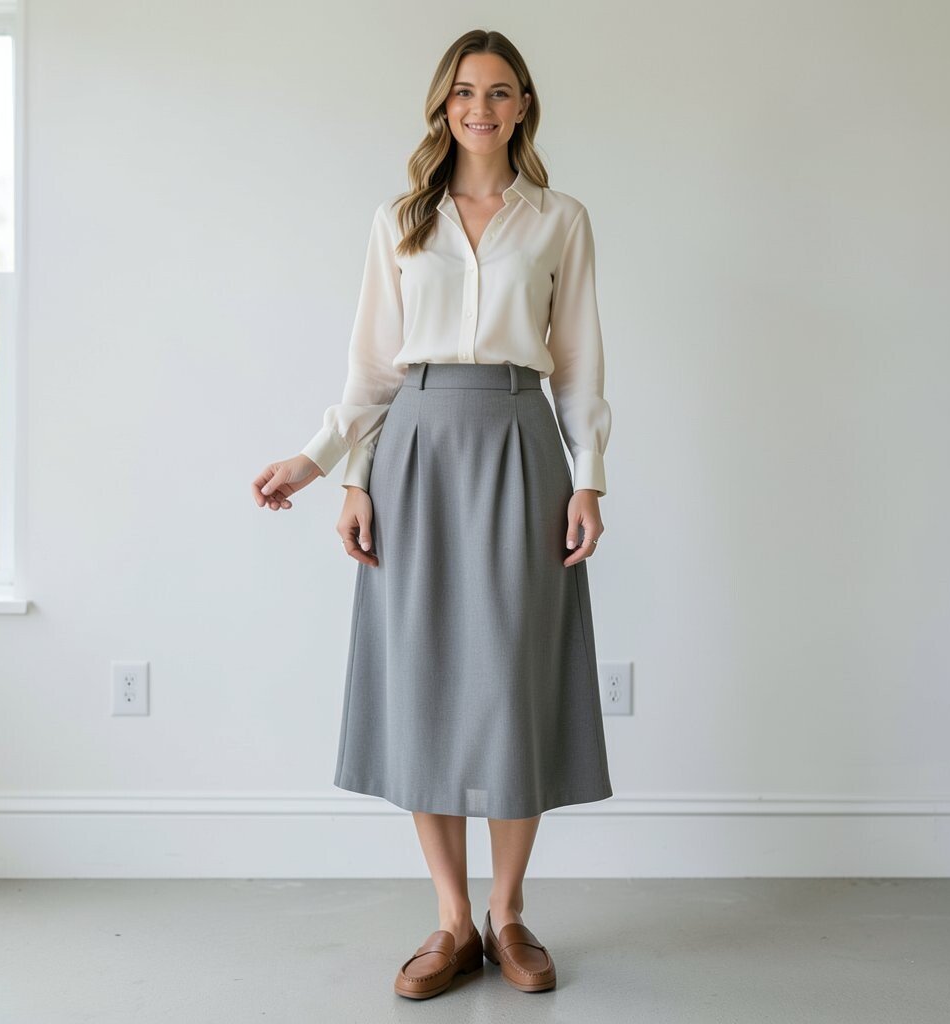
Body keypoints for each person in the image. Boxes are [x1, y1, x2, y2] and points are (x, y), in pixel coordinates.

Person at [251, 29, 613, 1000]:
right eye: (463, 92)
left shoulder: (560, 220)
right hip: (413, 448)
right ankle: (452, 920)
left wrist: (589, 477)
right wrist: (332, 469)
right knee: (424, 673)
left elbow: (579, 362)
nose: (479, 108)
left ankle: (508, 913)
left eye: (497, 92)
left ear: (523, 105)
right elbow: (373, 367)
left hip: (521, 443)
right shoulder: (401, 220)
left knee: (515, 674)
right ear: (442, 106)